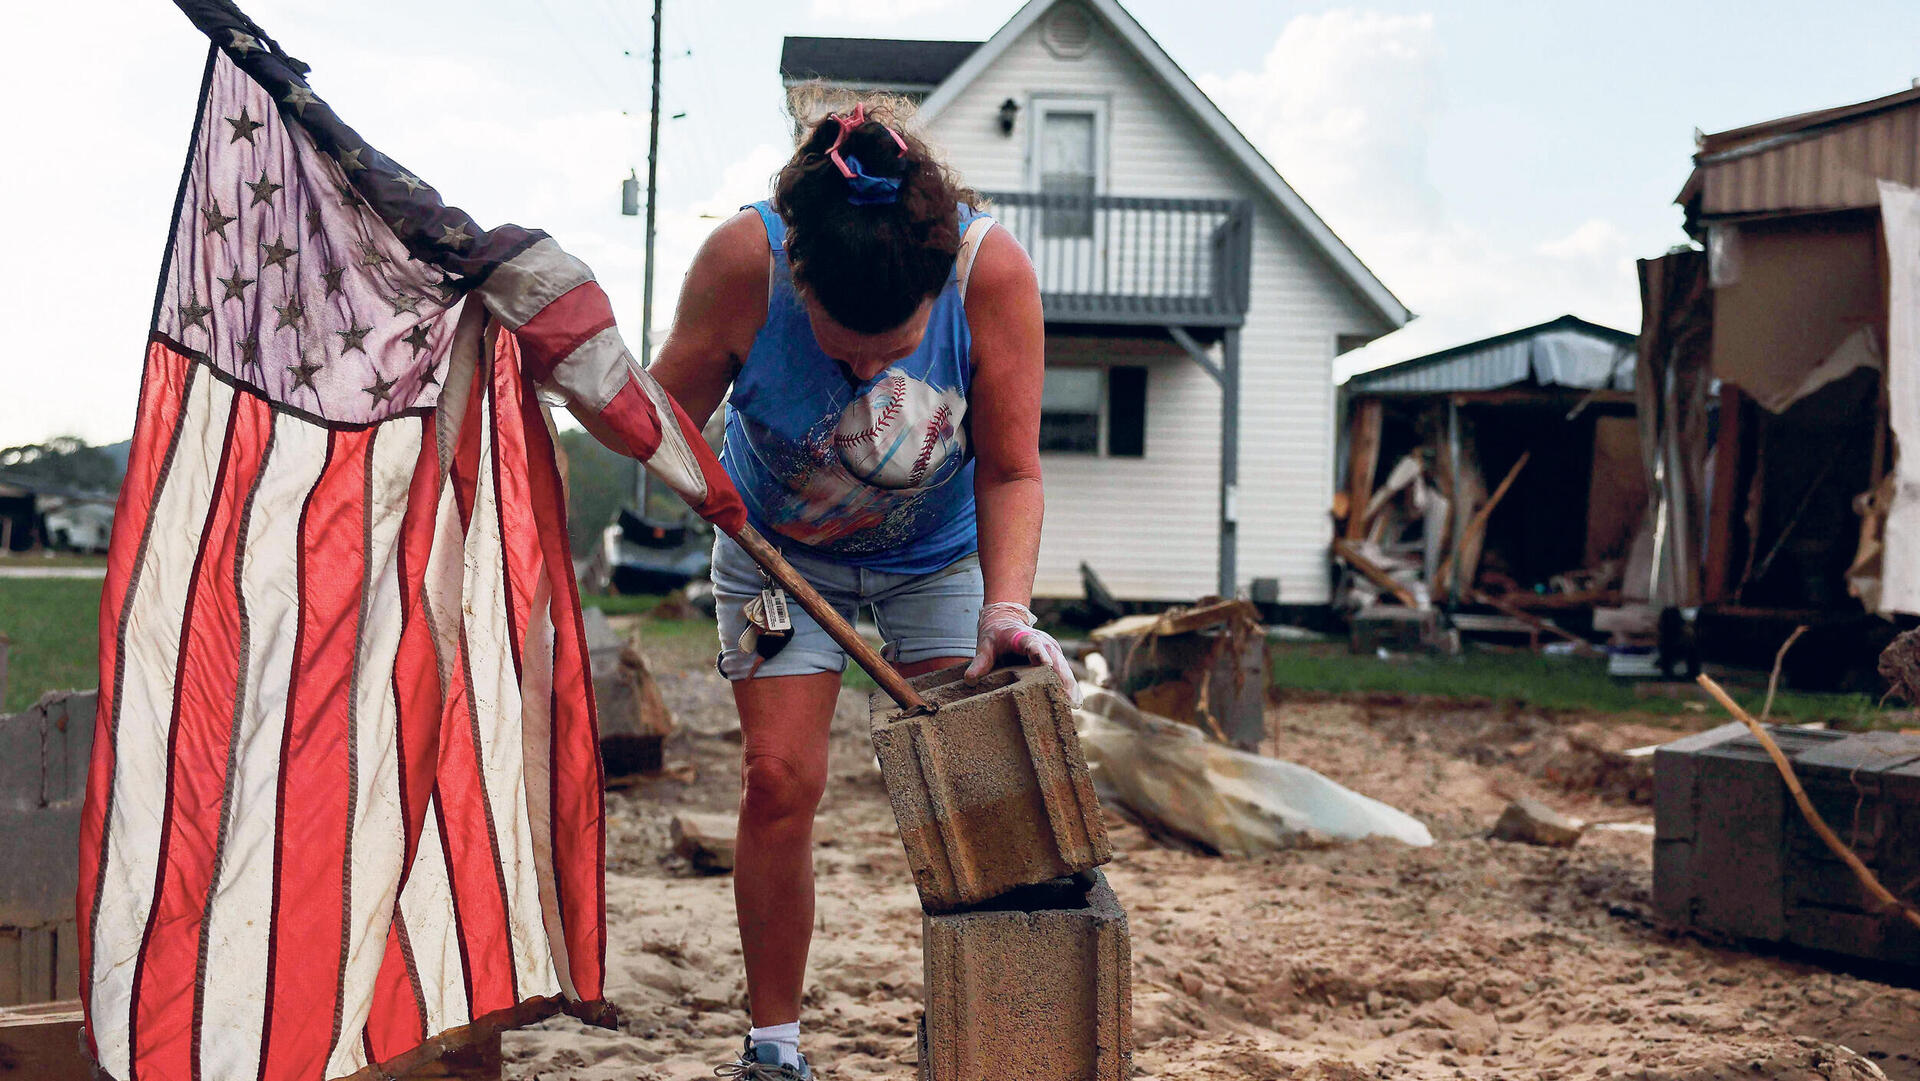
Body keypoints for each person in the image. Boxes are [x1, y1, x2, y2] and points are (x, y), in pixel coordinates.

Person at [648, 98, 1079, 1079]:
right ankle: (775, 1045)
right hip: (774, 553)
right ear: (799, 276)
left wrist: (1007, 610)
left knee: (980, 783)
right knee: (780, 782)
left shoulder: (989, 274)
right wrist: (674, 463)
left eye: (897, 348)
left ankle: (992, 1031)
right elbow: (660, 423)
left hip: (938, 555)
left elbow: (1012, 469)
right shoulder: (741, 266)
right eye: (847, 351)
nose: (873, 370)